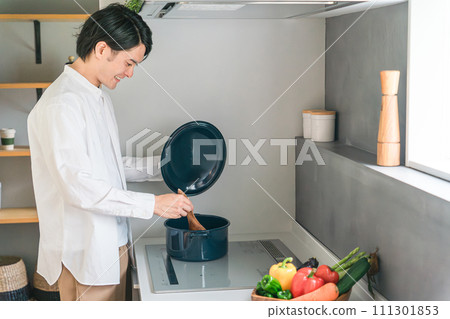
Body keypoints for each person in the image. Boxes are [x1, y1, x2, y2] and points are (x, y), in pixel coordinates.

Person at [27, 4, 193, 301]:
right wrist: (153, 204)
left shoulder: (96, 97)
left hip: (112, 246)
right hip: (88, 256)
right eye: (129, 63)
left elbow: (110, 166)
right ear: (102, 49)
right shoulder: (61, 105)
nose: (130, 74)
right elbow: (78, 187)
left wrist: (170, 166)